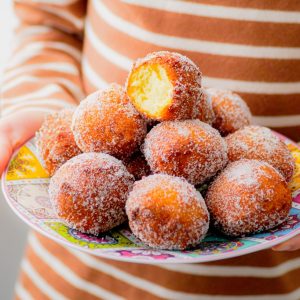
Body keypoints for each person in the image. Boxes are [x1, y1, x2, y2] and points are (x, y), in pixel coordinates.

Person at [1, 0, 300, 299]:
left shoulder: (206, 137)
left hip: (262, 279)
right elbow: (48, 22)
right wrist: (36, 99)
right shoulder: (121, 137)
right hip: (73, 276)